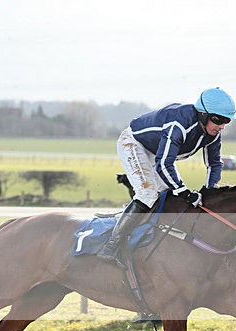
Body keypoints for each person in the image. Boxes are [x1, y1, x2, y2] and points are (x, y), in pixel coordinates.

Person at [98, 87, 235, 267]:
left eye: (226, 121)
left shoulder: (212, 135)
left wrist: (209, 193)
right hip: (134, 143)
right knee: (148, 194)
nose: (222, 126)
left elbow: (214, 164)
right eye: (218, 120)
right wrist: (185, 192)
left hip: (156, 152)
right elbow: (164, 164)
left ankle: (149, 237)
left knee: (167, 196)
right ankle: (110, 247)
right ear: (203, 115)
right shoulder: (179, 124)